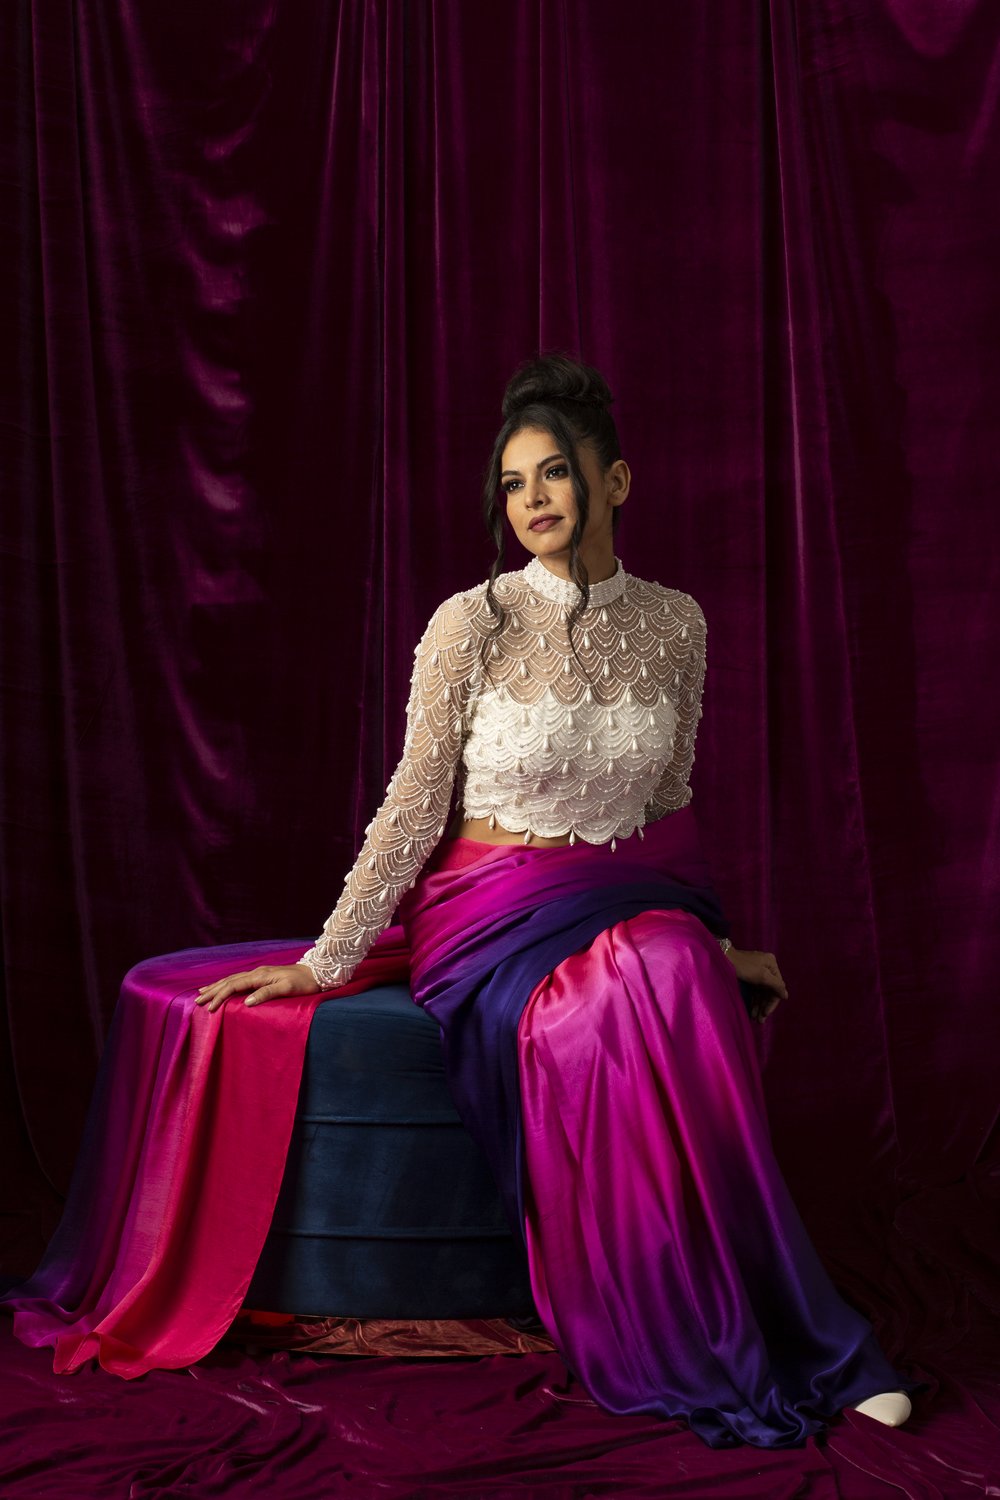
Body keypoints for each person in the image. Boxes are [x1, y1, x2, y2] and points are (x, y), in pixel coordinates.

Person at [192, 353, 915, 1448]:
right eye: (513, 481)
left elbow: (667, 806)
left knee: (677, 968)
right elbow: (412, 804)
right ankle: (686, 1331)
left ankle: (782, 1324)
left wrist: (716, 939)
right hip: (488, 911)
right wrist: (325, 961)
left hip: (624, 894)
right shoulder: (469, 624)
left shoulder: (677, 626)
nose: (531, 499)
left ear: (613, 482)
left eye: (556, 473)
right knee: (646, 981)